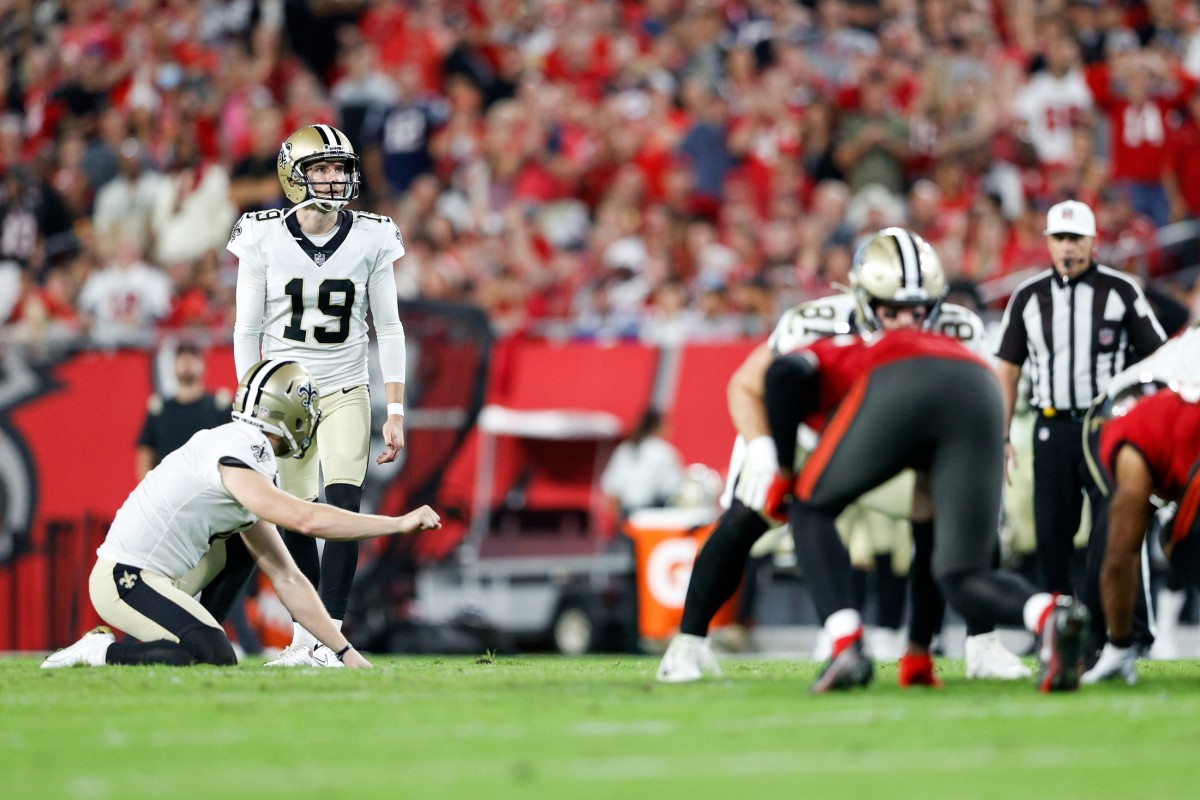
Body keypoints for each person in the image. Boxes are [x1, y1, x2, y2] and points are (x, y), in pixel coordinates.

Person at [657, 228, 1028, 685]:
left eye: (917, 310)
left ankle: (980, 644)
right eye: (891, 311)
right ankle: (688, 643)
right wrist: (765, 451)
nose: (905, 324)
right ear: (861, 296)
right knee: (746, 516)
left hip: (897, 439)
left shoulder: (959, 326)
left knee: (966, 516)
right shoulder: (812, 321)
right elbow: (746, 385)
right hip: (808, 437)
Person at [41, 360, 441, 670]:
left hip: (159, 575)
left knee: (246, 547)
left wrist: (344, 651)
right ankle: (98, 651)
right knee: (214, 653)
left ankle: (193, 633)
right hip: (125, 577)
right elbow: (307, 520)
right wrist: (398, 523)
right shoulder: (243, 451)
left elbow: (287, 577)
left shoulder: (241, 447)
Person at [761, 328, 1090, 693]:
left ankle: (844, 644)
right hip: (980, 386)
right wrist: (918, 652)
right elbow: (925, 534)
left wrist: (785, 473)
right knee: (960, 573)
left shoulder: (826, 353)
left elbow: (781, 375)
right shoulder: (908, 350)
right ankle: (1048, 614)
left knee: (808, 508)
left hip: (901, 377)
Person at [228, 124, 409, 667]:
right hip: (286, 396)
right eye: (323, 169)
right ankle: (309, 638)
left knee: (343, 501)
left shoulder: (373, 234)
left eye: (340, 168)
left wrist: (395, 409)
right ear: (293, 174)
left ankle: (331, 632)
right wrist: (250, 406)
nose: (335, 179)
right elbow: (246, 330)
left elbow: (390, 327)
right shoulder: (260, 234)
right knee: (299, 513)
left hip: (346, 386)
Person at [994, 200, 1165, 609]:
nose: (1068, 247)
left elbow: (1155, 358)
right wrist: (1002, 435)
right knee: (1051, 533)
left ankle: (1121, 630)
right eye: (1060, 239)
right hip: (1050, 426)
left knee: (1115, 528)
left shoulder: (1121, 291)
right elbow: (1008, 371)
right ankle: (1057, 628)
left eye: (1076, 238)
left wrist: (1143, 424)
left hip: (1104, 427)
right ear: (1048, 243)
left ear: (1093, 241)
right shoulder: (1028, 297)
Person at [1081, 382, 1200, 686]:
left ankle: (1119, 650)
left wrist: (1119, 643)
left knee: (1177, 541)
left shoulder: (1132, 435)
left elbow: (1120, 556)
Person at [136, 341, 231, 480]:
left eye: (193, 358)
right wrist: (148, 489)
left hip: (210, 487)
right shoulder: (160, 411)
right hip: (170, 488)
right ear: (173, 367)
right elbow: (145, 453)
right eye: (181, 358)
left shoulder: (220, 407)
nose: (187, 363)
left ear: (204, 366)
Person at [599, 407, 685, 519]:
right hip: (654, 516)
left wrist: (621, 519)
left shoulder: (624, 449)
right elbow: (674, 488)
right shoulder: (663, 451)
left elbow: (611, 489)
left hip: (628, 515)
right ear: (657, 427)